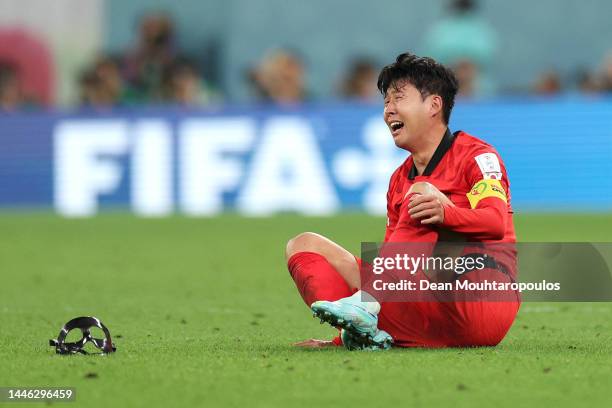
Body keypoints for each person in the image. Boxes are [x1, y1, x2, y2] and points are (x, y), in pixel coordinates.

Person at [286, 52, 519, 350]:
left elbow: (496, 222)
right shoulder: (398, 179)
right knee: (304, 245)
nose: (388, 111)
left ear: (434, 105)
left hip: (482, 302)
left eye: (398, 99)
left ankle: (365, 307)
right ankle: (357, 332)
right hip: (428, 306)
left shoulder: (477, 156)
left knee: (422, 194)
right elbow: (395, 266)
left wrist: (447, 214)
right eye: (386, 102)